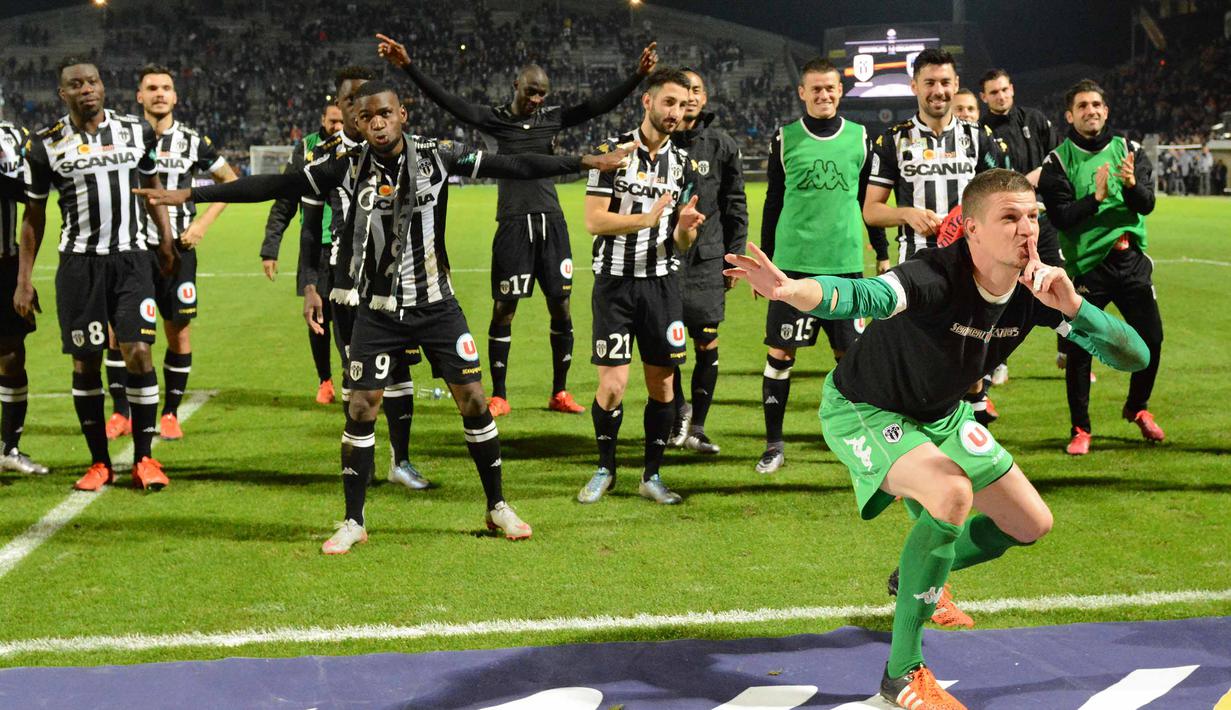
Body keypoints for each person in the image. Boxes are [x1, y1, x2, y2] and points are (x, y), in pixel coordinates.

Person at [137, 79, 632, 552]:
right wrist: (192, 194)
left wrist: (588, 159)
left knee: (475, 401)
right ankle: (354, 520)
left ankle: (497, 505)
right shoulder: (344, 166)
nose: (376, 123)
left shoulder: (437, 155)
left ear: (402, 115)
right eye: (365, 115)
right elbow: (275, 183)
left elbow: (516, 166)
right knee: (360, 407)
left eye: (384, 114)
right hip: (376, 309)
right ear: (355, 120)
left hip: (437, 305)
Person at [725, 168, 1148, 710]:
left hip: (941, 414)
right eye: (1011, 218)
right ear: (972, 229)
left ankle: (915, 574)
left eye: (1034, 217)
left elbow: (1135, 357)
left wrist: (1074, 307)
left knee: (1030, 523)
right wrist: (791, 290)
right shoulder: (935, 275)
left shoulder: (1040, 287)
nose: (1028, 230)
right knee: (951, 493)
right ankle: (900, 674)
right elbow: (863, 296)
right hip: (865, 408)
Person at [377, 32, 659, 418]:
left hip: (552, 223)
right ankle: (501, 394)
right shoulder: (496, 120)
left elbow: (596, 106)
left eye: (542, 93)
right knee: (504, 308)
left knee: (561, 307)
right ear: (516, 86)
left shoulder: (552, 119)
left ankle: (559, 392)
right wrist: (408, 65)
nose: (537, 100)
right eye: (531, 92)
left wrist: (636, 76)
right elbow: (451, 103)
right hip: (512, 224)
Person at [18, 58, 178, 491]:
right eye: (76, 84)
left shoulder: (135, 130)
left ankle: (145, 458)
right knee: (85, 362)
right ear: (63, 93)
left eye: (93, 81)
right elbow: (33, 217)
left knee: (139, 353)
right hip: (79, 266)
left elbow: (152, 184)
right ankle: (99, 463)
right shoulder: (45, 144)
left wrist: (165, 238)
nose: (87, 89)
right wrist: (24, 278)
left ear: (103, 87)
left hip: (131, 259)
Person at [576, 67, 705, 505]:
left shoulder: (684, 164)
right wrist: (645, 220)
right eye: (667, 102)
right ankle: (605, 468)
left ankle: (651, 476)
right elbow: (594, 220)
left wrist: (685, 228)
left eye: (682, 105)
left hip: (662, 285)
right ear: (646, 102)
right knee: (612, 386)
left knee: (663, 387)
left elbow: (681, 240)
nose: (674, 112)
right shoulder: (611, 152)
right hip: (614, 283)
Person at [754, 57, 889, 474]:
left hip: (846, 265)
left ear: (840, 90)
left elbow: (870, 203)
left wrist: (881, 252)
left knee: (850, 358)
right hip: (793, 264)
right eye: (815, 89)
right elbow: (773, 202)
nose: (823, 95)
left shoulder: (862, 137)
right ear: (802, 92)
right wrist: (765, 265)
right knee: (781, 353)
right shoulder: (785, 138)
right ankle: (774, 444)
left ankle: (855, 442)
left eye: (830, 88)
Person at [864, 48, 1007, 427]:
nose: (938, 90)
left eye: (945, 82)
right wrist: (906, 214)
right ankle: (913, 450)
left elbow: (1002, 196)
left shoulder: (981, 138)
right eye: (929, 82)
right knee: (918, 358)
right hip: (917, 267)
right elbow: (871, 210)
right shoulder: (892, 141)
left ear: (957, 85)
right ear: (914, 86)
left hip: (972, 265)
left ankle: (976, 445)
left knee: (971, 359)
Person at [103, 64, 239, 442]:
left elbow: (230, 182)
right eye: (152, 88)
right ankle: (120, 413)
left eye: (166, 88)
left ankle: (170, 414)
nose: (159, 93)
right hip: (130, 248)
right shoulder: (124, 138)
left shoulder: (194, 142)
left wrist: (200, 226)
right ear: (139, 97)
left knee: (178, 330)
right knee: (119, 332)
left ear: (175, 97)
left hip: (178, 248)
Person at [1038, 79, 1166, 455]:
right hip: (1088, 268)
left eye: (1096, 104)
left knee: (1152, 340)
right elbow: (1060, 218)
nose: (1090, 110)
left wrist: (1129, 185)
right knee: (1079, 349)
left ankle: (1136, 407)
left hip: (1131, 262)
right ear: (1070, 115)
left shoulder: (1130, 150)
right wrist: (1094, 198)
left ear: (1106, 111)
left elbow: (1146, 205)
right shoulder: (1057, 161)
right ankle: (1081, 428)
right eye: (1082, 106)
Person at [666, 66, 747, 455]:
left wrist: (736, 256)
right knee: (666, 344)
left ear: (705, 96)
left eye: (697, 90)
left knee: (706, 342)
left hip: (708, 259)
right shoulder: (658, 143)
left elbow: (735, 205)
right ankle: (678, 411)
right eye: (684, 92)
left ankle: (697, 426)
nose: (692, 97)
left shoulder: (722, 145)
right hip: (663, 259)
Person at [978, 67, 1064, 386]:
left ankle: (1068, 352)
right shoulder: (981, 130)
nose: (1001, 96)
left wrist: (1031, 184)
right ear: (983, 97)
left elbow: (1055, 160)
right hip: (1005, 225)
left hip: (1043, 219)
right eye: (993, 92)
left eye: (1004, 89)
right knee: (1003, 290)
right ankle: (997, 360)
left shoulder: (1036, 119)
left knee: (1056, 279)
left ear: (1012, 89)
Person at [261, 103, 344, 405]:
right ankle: (325, 381)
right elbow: (285, 197)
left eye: (342, 121)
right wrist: (270, 248)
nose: (338, 126)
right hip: (314, 247)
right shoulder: (307, 148)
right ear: (322, 119)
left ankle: (353, 377)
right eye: (333, 121)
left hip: (348, 247)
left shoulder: (356, 146)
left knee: (350, 320)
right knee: (319, 319)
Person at [0, 119, 48, 475]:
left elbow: (29, 195)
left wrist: (23, 277)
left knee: (12, 355)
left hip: (4, 262)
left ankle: (9, 448)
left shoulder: (13, 135)